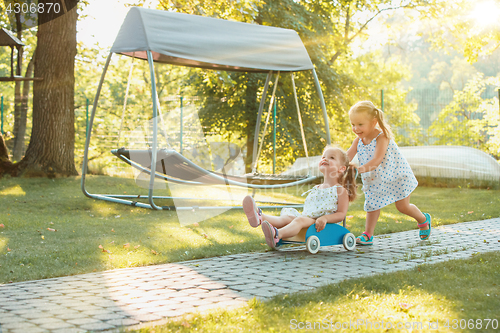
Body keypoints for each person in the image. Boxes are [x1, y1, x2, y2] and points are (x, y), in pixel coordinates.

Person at [346, 101, 431, 245]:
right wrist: (336, 164)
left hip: (395, 176)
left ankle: (423, 219)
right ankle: (368, 234)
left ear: (373, 122)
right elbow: (347, 156)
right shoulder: (358, 140)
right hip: (374, 178)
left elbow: (377, 160)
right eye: (353, 124)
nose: (356, 128)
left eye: (360, 124)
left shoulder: (382, 136)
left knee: (402, 207)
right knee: (372, 205)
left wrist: (358, 169)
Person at [243, 146, 358, 249]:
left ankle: (277, 234)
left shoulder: (340, 190)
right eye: (323, 157)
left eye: (331, 157)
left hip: (321, 223)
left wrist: (325, 218)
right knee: (287, 218)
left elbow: (341, 214)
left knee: (299, 220)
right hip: (307, 219)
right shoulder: (317, 188)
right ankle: (260, 217)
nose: (325, 159)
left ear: (341, 168)